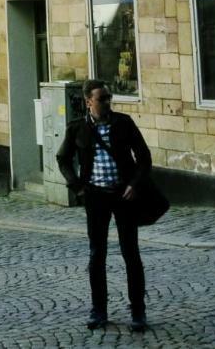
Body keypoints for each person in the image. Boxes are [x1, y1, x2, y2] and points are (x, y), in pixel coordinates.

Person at [56, 80, 152, 332]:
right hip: (95, 196)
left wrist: (135, 184)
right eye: (102, 98)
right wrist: (77, 186)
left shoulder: (123, 123)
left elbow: (144, 157)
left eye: (109, 97)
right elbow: (62, 158)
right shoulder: (77, 128)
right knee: (97, 255)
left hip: (124, 195)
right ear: (88, 101)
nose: (108, 102)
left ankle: (138, 310)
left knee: (131, 253)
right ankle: (98, 310)